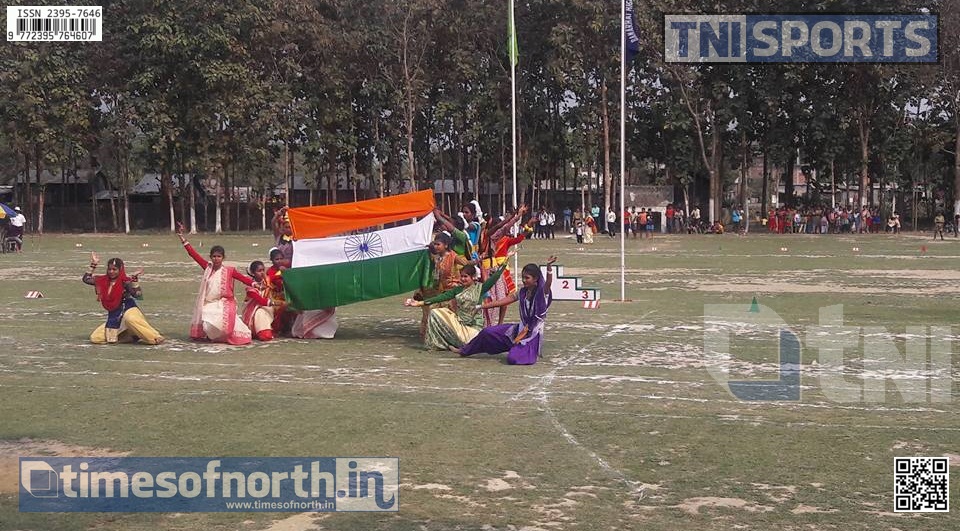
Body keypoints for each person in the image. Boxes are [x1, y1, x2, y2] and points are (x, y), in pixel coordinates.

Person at [455, 256, 556, 365]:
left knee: (513, 359)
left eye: (527, 278)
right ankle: (465, 350)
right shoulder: (522, 292)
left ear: (535, 279)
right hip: (519, 329)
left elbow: (548, 284)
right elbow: (504, 301)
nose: (523, 280)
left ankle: (519, 348)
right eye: (523, 277)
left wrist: (549, 267)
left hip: (532, 334)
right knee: (487, 332)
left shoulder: (541, 293)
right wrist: (481, 307)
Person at [177, 223, 254, 345]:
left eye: (219, 256)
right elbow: (193, 254)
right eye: (214, 256)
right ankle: (211, 335)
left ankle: (223, 336)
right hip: (209, 303)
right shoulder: (207, 267)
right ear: (210, 257)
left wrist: (255, 283)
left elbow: (243, 279)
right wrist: (182, 237)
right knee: (208, 320)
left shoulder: (229, 270)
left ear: (223, 258)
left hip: (225, 302)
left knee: (225, 323)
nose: (216, 259)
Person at [406, 264, 507, 351]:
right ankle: (440, 344)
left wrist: (504, 263)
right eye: (461, 276)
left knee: (470, 342)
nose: (462, 279)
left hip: (474, 326)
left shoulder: (480, 288)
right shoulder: (457, 290)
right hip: (459, 322)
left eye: (466, 276)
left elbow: (494, 278)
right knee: (435, 313)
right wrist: (419, 303)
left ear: (473, 277)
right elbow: (440, 298)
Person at [83, 253, 164, 345]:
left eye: (114, 269)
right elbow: (86, 279)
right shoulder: (102, 280)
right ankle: (131, 336)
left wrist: (134, 279)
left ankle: (155, 337)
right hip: (115, 316)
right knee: (96, 338)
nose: (111, 272)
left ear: (120, 270)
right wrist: (93, 264)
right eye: (109, 269)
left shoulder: (125, 281)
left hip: (129, 310)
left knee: (130, 319)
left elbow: (138, 296)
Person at [243, 261, 278, 341]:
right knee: (260, 312)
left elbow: (277, 277)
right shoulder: (250, 287)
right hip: (253, 311)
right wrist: (277, 303)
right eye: (259, 271)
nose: (262, 273)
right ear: (253, 273)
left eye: (263, 270)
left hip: (267, 308)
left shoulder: (267, 282)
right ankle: (263, 333)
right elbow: (261, 301)